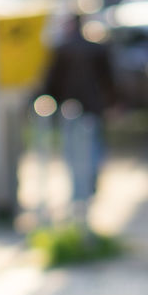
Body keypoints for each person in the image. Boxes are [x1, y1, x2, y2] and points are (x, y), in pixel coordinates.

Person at [39, 13, 117, 213]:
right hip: (92, 106)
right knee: (93, 147)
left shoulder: (63, 49)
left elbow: (51, 82)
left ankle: (79, 191)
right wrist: (113, 102)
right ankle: (88, 183)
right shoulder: (95, 48)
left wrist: (50, 101)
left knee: (72, 151)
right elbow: (109, 80)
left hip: (70, 107)